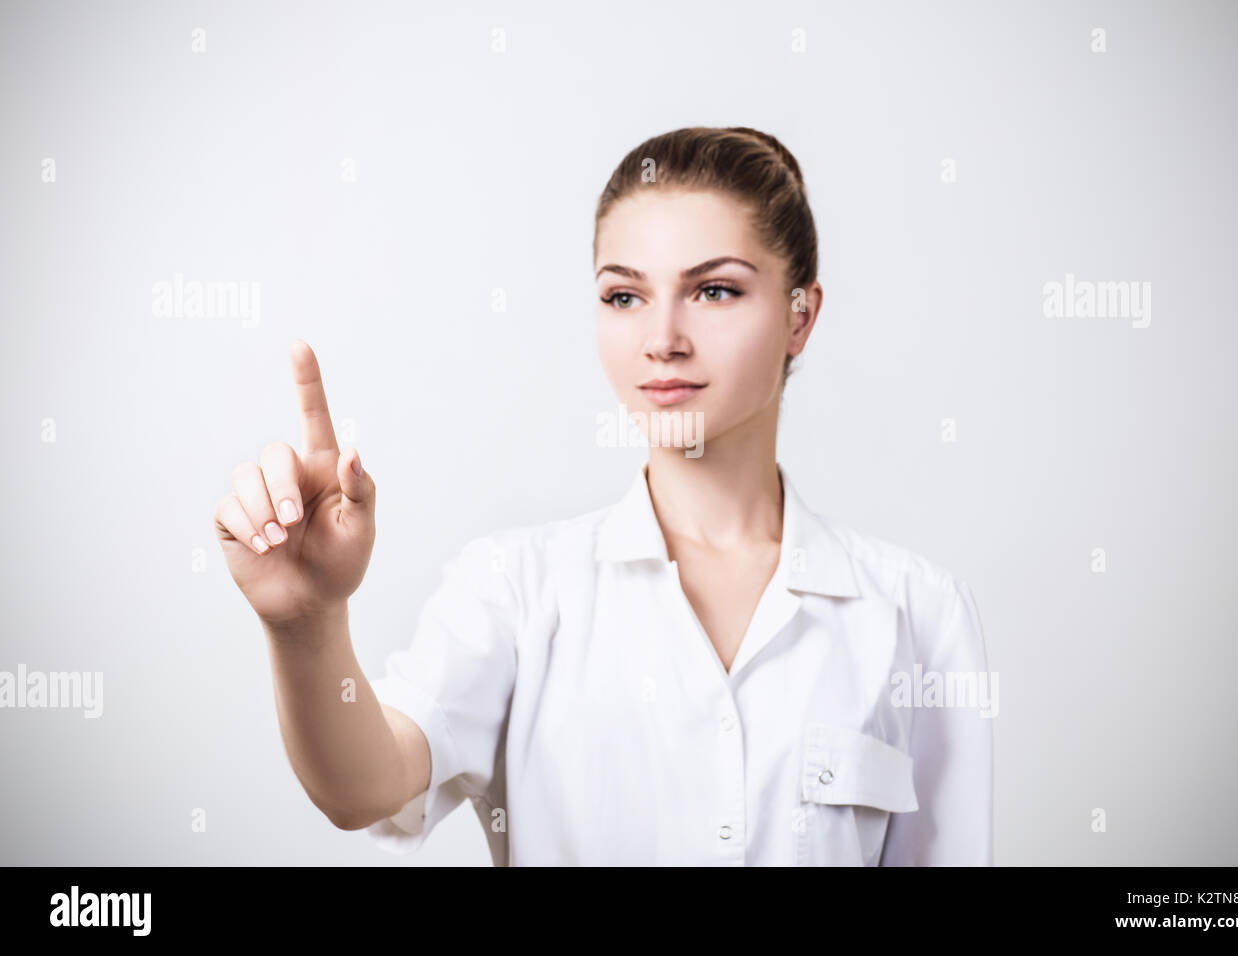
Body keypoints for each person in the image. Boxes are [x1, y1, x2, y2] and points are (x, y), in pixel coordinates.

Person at [213, 126, 993, 866]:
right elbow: (365, 786)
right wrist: (305, 623)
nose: (663, 337)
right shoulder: (514, 591)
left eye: (715, 291)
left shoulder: (917, 615)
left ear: (800, 317)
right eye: (624, 296)